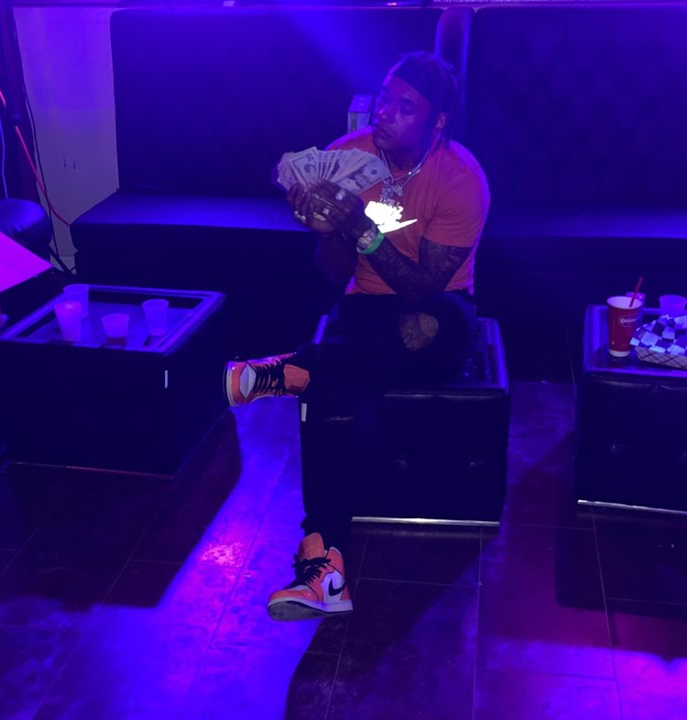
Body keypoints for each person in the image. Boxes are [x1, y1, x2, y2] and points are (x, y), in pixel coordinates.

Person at [223, 51, 490, 621]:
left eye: (405, 107)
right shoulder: (348, 155)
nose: (385, 112)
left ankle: (290, 371)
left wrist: (359, 227)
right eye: (385, 97)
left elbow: (423, 284)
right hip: (366, 306)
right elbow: (333, 273)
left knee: (426, 328)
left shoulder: (462, 180)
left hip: (439, 306)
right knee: (341, 391)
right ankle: (325, 572)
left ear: (437, 121)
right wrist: (325, 228)